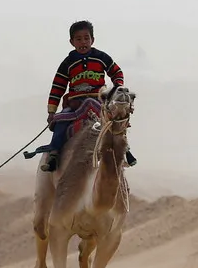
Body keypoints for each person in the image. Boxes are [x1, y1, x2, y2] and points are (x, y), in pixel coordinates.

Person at [40, 20, 137, 172]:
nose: (83, 42)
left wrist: (117, 87)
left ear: (92, 39)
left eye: (86, 38)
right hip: (75, 105)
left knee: (114, 122)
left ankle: (126, 151)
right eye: (78, 39)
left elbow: (116, 72)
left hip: (98, 101)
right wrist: (51, 112)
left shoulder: (101, 57)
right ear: (72, 42)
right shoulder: (68, 62)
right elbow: (58, 87)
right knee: (61, 122)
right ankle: (54, 153)